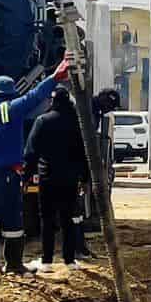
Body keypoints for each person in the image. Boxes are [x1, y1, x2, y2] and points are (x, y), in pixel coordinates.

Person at [0, 56, 70, 274]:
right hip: (3, 170)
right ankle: (14, 264)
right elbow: (35, 96)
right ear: (11, 94)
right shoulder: (10, 109)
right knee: (12, 215)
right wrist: (55, 77)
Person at [21, 86, 90, 268]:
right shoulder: (77, 122)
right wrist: (84, 178)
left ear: (52, 101)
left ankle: (47, 261)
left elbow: (31, 152)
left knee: (47, 219)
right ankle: (69, 260)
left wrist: (26, 177)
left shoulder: (42, 121)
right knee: (67, 219)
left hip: (48, 178)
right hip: (70, 179)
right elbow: (84, 153)